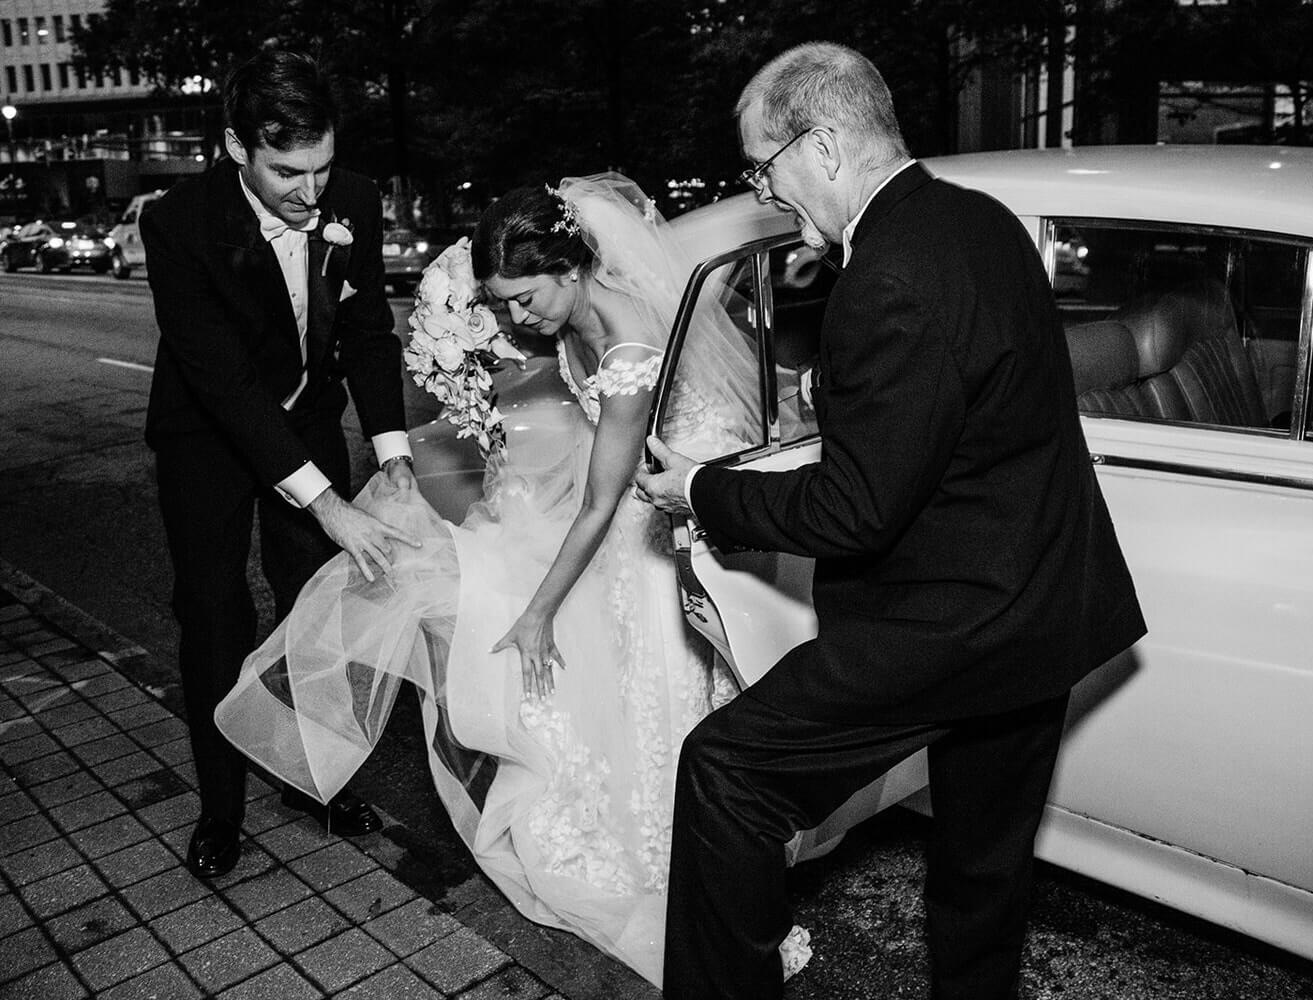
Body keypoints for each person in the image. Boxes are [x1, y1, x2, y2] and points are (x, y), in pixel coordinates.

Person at [635, 42, 1148, 999]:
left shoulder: (886, 278)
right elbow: (958, 417)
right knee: (984, 867)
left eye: (765, 165)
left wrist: (702, 490)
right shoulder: (979, 221)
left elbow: (856, 510)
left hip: (954, 619)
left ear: (822, 146)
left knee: (726, 772)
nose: (766, 190)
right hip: (1044, 600)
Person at [214, 173, 813, 987]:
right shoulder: (568, 314)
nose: (515, 318)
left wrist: (537, 614)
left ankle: (683, 866)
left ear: (571, 270)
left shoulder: (630, 339)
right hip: (622, 492)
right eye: (501, 302)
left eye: (524, 299)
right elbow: (580, 440)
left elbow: (604, 500)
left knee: (645, 678)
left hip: (650, 512)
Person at [143, 49, 418, 880]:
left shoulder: (355, 202)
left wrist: (392, 453)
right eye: (287, 171)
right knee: (215, 615)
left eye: (322, 167)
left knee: (318, 614)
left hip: (309, 424)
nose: (311, 192)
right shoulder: (178, 224)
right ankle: (220, 808)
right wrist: (326, 502)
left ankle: (316, 783)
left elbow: (370, 333)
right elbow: (222, 381)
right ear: (235, 146)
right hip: (208, 440)